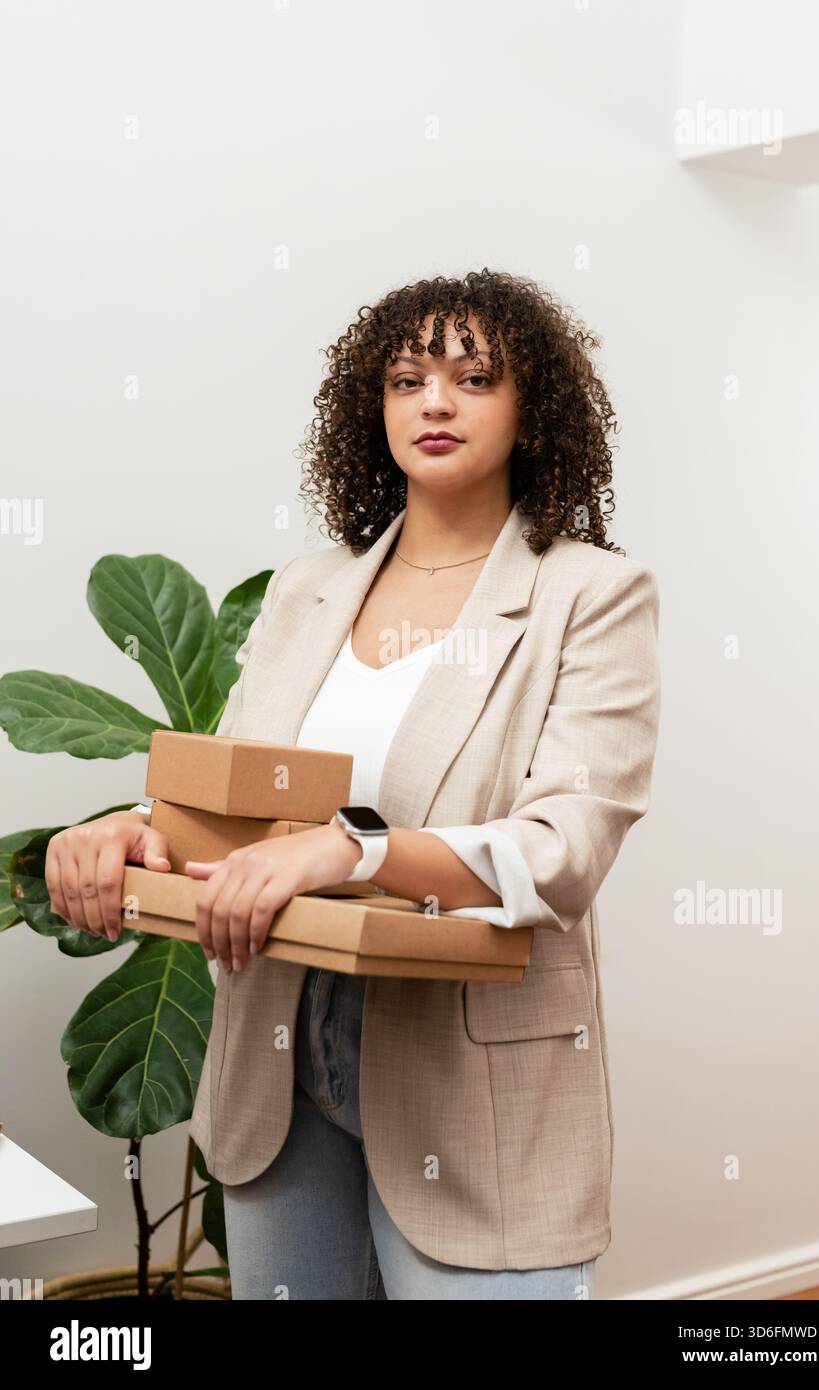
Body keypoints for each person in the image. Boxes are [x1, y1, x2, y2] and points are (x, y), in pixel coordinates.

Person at [45, 268, 661, 1300]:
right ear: (368, 406)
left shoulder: (590, 596)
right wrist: (131, 829)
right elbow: (237, 798)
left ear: (532, 404)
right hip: (278, 1059)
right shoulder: (307, 587)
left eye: (473, 377)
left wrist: (356, 845)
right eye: (405, 378)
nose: (433, 401)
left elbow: (564, 849)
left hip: (470, 1076)